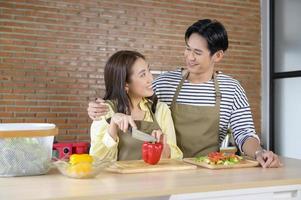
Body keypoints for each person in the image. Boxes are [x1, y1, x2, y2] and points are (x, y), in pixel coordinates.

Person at [88, 19, 281, 168]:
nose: (189, 57)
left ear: (218, 55)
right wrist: (99, 109)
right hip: (168, 170)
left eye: (197, 52)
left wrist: (258, 153)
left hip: (208, 169)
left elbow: (244, 133)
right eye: (187, 49)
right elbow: (124, 99)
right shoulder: (163, 84)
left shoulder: (232, 89)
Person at [89, 50, 183, 161]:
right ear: (125, 84)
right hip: (119, 178)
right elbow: (97, 161)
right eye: (143, 75)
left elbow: (176, 158)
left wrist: (163, 147)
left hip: (154, 177)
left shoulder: (160, 109)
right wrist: (113, 125)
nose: (151, 79)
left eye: (149, 71)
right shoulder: (105, 110)